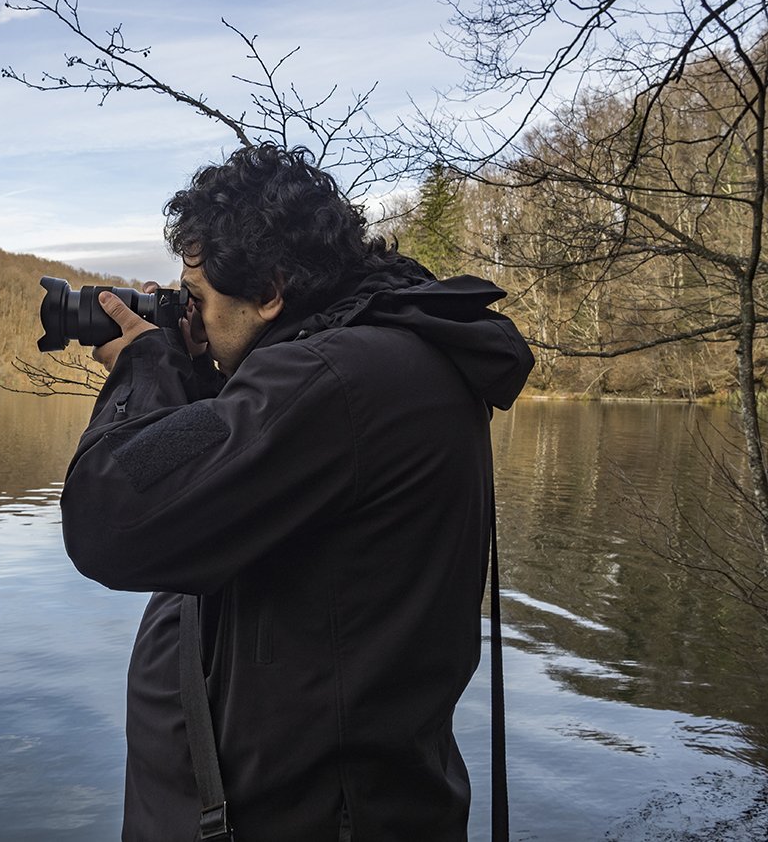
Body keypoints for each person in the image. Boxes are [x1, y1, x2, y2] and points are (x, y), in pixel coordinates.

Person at [59, 143, 533, 840]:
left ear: (271, 290)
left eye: (199, 300)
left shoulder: (336, 380)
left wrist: (145, 369)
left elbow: (111, 517)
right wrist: (198, 381)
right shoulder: (377, 361)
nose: (192, 319)